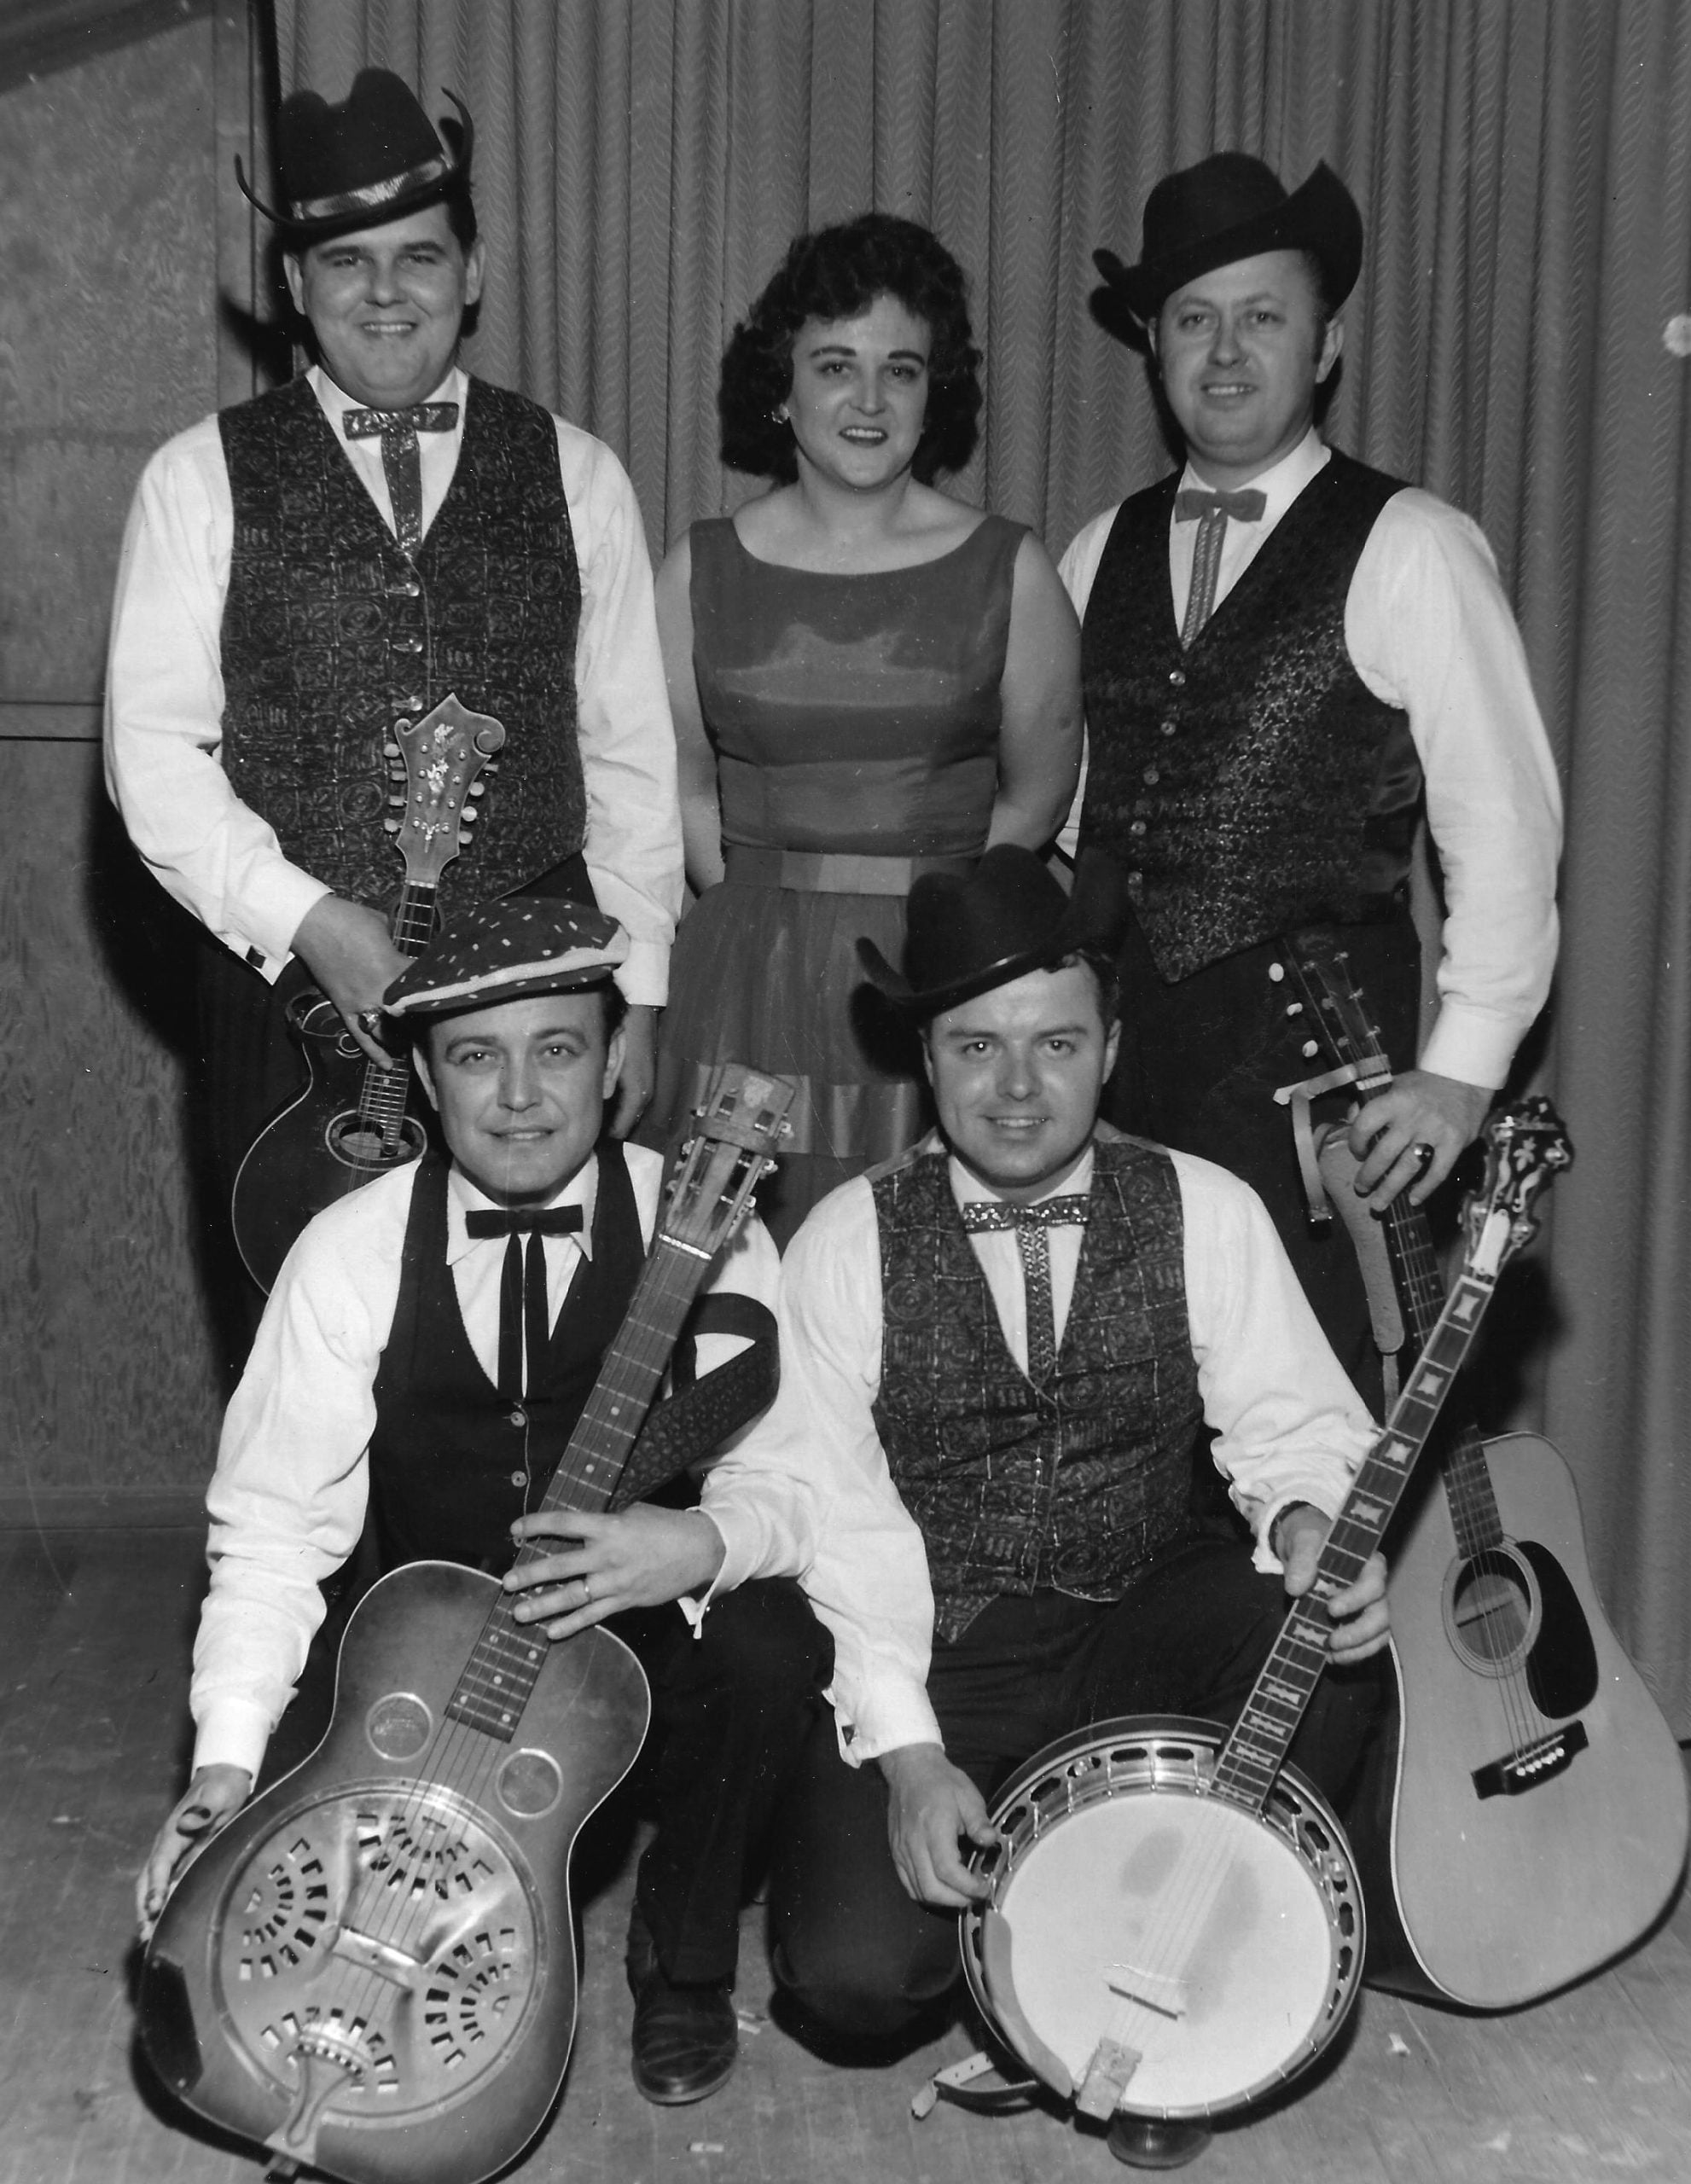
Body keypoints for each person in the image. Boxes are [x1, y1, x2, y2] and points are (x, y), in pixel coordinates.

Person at [729, 846, 1390, 2169]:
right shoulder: (846, 1238)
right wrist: (906, 1760)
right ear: (925, 1060)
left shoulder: (1204, 1207)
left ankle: (1167, 1981)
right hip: (934, 1649)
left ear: (1111, 1049)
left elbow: (1293, 1422)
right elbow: (819, 1511)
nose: (1017, 1087)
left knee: (1317, 1641)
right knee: (855, 1977)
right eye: (976, 1047)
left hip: (1132, 1622)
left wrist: (1308, 1522)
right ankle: (1031, 1916)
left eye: (1056, 1043)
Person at [136, 897, 831, 2110]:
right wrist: (226, 1762)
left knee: (772, 1647)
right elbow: (274, 1530)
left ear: (613, 1060)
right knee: (270, 1943)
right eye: (474, 1057)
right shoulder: (348, 1249)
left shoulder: (703, 1221)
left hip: (642, 1648)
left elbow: (797, 1481)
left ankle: (680, 1956)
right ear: (422, 1076)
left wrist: (696, 1541)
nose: (517, 1096)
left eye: (555, 1049)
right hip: (416, 1657)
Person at [105, 69, 680, 1257]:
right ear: (293, 285)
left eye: (418, 256)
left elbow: (630, 755)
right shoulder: (195, 478)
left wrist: (641, 990)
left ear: (472, 271)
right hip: (287, 997)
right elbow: (150, 757)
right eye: (345, 262)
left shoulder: (580, 474)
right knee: (296, 1312)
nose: (383, 293)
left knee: (523, 1315)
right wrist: (311, 920)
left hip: (537, 999)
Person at [1058, 154, 1561, 1398]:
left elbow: (1503, 827)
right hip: (1126, 1067)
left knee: (1317, 1416)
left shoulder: (1413, 545)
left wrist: (1461, 1074)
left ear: (1325, 345)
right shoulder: (1095, 550)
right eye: (1193, 319)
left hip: (1319, 1078)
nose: (1225, 352)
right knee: (1128, 1415)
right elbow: (1073, 823)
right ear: (1155, 349)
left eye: (1262, 317)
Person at [644, 212, 1082, 1243]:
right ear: (782, 385)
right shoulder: (698, 566)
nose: (870, 401)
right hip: (745, 971)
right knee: (733, 1275)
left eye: (902, 370)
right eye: (836, 365)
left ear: (936, 393)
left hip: (936, 976)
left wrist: (934, 917)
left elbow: (1037, 796)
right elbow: (682, 787)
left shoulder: (1013, 568)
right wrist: (768, 905)